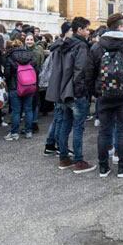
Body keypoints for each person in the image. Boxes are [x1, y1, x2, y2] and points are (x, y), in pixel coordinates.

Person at [86, 13, 123, 178]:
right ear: (119, 26)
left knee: (104, 131)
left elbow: (89, 73)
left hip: (103, 94)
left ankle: (103, 167)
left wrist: (94, 93)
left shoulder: (97, 46)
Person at [57, 17, 97, 174]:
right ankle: (79, 161)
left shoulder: (65, 44)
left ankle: (64, 158)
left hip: (64, 90)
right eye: (87, 29)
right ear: (79, 30)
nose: (88, 32)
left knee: (65, 124)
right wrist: (82, 92)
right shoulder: (81, 46)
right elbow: (80, 71)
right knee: (78, 127)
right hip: (76, 92)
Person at [43, 21, 72, 156]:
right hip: (60, 86)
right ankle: (60, 147)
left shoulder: (58, 45)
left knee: (58, 116)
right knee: (61, 117)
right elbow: (62, 69)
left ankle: (50, 144)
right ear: (68, 31)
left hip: (56, 85)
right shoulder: (62, 46)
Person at [3, 39, 38, 141]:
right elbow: (36, 69)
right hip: (29, 86)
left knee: (16, 111)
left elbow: (7, 74)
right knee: (28, 109)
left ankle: (14, 133)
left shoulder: (10, 57)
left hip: (15, 87)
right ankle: (28, 131)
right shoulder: (30, 55)